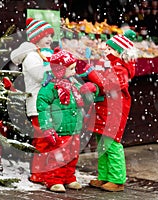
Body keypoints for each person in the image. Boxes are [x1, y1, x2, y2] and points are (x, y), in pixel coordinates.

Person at [78, 29, 138, 192]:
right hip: (105, 109)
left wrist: (92, 74)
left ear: (119, 53)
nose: (107, 52)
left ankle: (117, 179)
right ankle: (104, 175)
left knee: (111, 143)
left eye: (110, 50)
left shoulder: (120, 70)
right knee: (103, 144)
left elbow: (107, 85)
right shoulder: (111, 65)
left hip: (114, 112)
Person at [36, 48, 96, 193]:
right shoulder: (50, 87)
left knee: (72, 155)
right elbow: (42, 108)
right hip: (59, 128)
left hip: (74, 127)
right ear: (60, 70)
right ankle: (54, 180)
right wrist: (47, 127)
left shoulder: (74, 84)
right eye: (71, 69)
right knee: (57, 156)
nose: (74, 72)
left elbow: (86, 102)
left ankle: (69, 177)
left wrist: (89, 91)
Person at [10, 18, 55, 184]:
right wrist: (55, 65)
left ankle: (47, 170)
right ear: (36, 37)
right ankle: (38, 172)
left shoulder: (42, 54)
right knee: (42, 140)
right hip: (37, 105)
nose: (50, 39)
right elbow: (40, 76)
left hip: (48, 105)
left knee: (49, 139)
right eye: (46, 36)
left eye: (51, 36)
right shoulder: (31, 56)